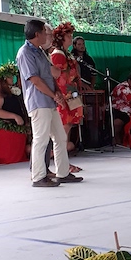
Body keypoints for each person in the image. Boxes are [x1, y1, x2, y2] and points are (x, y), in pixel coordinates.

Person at [16, 19, 82, 187]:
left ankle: (62, 172)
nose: (47, 36)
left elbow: (49, 75)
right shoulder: (25, 53)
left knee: (60, 137)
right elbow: (35, 80)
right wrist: (54, 95)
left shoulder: (40, 51)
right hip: (38, 102)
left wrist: (58, 93)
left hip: (50, 101)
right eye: (45, 33)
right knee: (40, 139)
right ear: (37, 34)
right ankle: (38, 176)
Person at [50, 22, 84, 153]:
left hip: (71, 93)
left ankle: (64, 160)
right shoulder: (58, 54)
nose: (71, 38)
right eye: (69, 36)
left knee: (68, 125)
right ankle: (61, 160)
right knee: (64, 125)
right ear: (61, 38)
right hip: (64, 94)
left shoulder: (67, 53)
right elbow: (55, 76)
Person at [0, 62, 30, 164]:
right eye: (10, 77)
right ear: (4, 78)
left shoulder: (13, 90)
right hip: (5, 129)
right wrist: (15, 116)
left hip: (17, 129)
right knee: (8, 157)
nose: (12, 79)